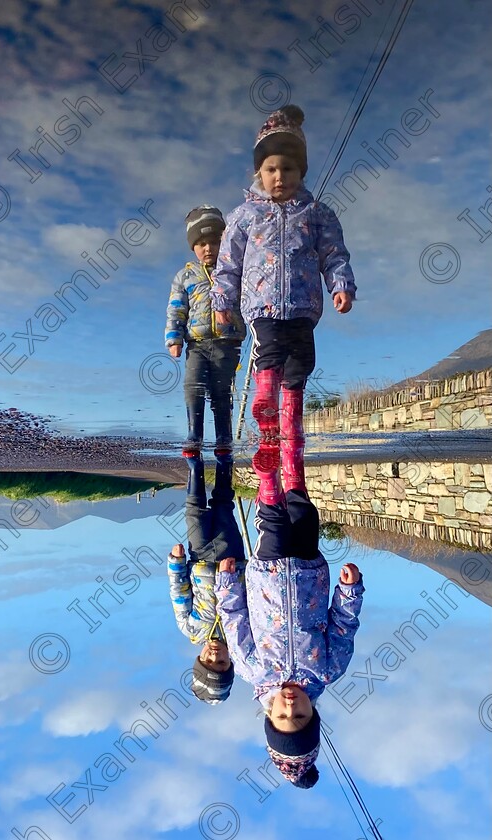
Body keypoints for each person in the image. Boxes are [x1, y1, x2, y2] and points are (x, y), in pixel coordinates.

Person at [211, 105, 356, 490]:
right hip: (262, 305)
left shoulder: (317, 213)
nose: (280, 177)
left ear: (301, 172)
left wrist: (340, 285)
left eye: (289, 169)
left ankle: (289, 425)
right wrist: (222, 301)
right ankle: (264, 405)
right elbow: (228, 263)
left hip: (304, 305)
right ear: (258, 172)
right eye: (272, 169)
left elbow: (333, 253)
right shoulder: (243, 216)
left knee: (302, 363)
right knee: (270, 352)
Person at [214, 443, 364, 786]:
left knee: (275, 523)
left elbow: (235, 620)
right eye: (299, 715)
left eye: (282, 715)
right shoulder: (328, 671)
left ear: (269, 715)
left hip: (266, 574)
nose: (290, 706)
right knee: (304, 513)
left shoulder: (253, 670)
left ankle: (267, 474)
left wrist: (226, 583)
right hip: (311, 573)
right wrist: (349, 592)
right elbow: (344, 626)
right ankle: (291, 448)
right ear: (313, 714)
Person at [167, 450, 246, 704]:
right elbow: (252, 601)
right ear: (230, 661)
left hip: (199, 557)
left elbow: (179, 592)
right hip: (231, 557)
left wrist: (176, 564)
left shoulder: (189, 629)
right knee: (224, 506)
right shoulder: (240, 635)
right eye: (221, 661)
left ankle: (194, 465)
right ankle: (224, 461)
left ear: (199, 658)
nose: (214, 655)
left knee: (194, 511)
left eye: (208, 660)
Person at [165, 206, 246, 455]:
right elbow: (176, 309)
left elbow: (249, 299)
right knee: (193, 387)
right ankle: (194, 435)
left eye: (214, 241)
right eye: (201, 243)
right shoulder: (185, 276)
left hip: (227, 342)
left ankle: (224, 437)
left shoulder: (234, 271)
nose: (208, 248)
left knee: (222, 392)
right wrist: (173, 338)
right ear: (193, 247)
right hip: (196, 345)